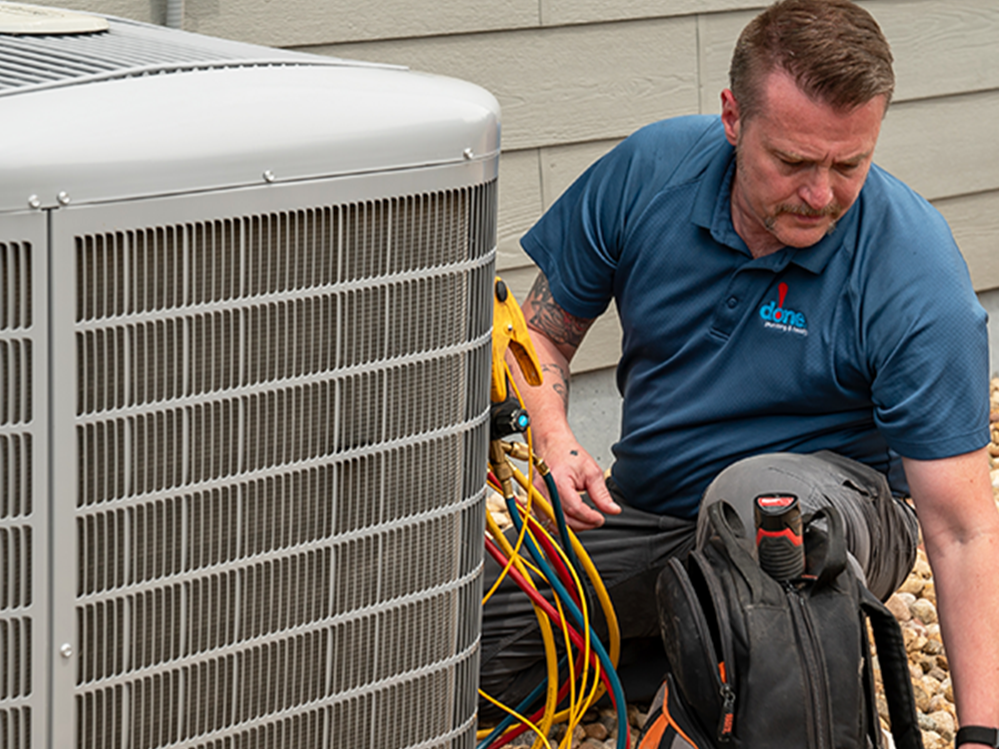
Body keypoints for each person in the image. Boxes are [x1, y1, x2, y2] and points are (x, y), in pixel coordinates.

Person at [479, 0, 999, 742]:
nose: (820, 194)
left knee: (761, 502)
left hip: (830, 516)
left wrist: (983, 734)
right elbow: (536, 335)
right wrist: (555, 435)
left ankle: (786, 708)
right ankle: (691, 668)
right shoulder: (648, 172)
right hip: (651, 512)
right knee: (470, 632)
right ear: (732, 117)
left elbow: (961, 528)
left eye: (849, 164)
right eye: (791, 161)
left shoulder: (912, 271)